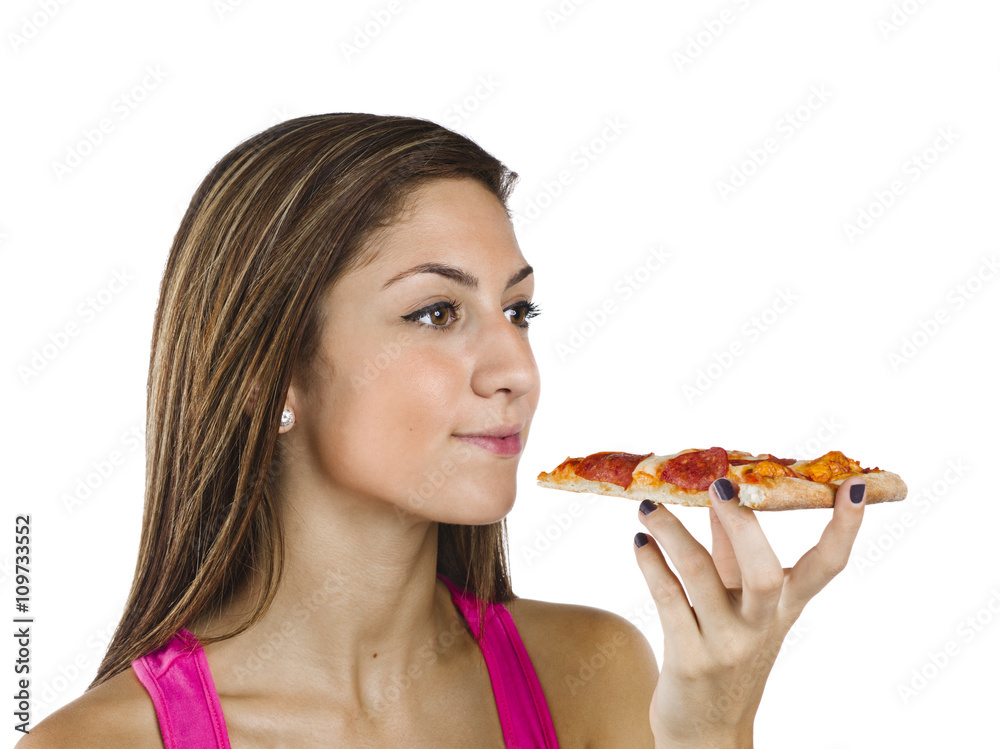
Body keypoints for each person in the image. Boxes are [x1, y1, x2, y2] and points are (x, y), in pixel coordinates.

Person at [18, 113, 868, 748]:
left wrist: (715, 727)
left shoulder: (597, 675)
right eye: (435, 311)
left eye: (518, 309)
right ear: (273, 371)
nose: (517, 369)